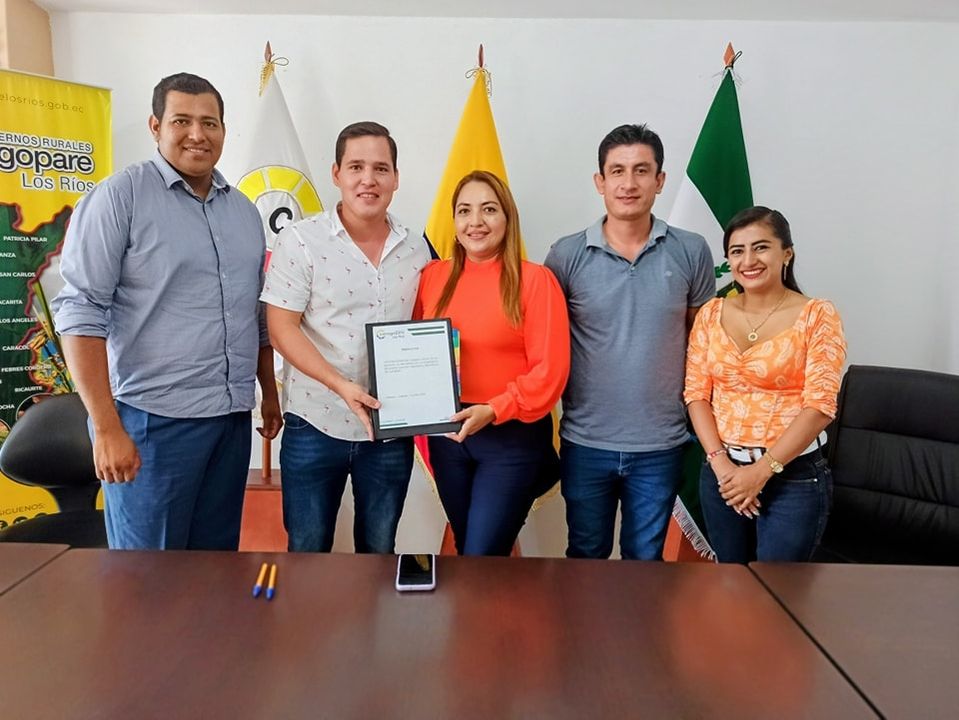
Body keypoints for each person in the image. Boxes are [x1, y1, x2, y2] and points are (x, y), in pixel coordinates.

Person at [53, 72, 282, 550]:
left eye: (210, 123)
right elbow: (80, 311)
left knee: (213, 568)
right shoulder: (120, 197)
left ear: (224, 130)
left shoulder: (243, 211)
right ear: (155, 126)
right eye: (182, 120)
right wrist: (105, 427)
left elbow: (255, 314)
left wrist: (268, 393)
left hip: (230, 421)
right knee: (148, 576)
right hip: (150, 425)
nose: (197, 134)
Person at [544, 124, 714, 560]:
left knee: (645, 562)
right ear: (600, 181)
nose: (629, 183)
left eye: (641, 170)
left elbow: (705, 346)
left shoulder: (691, 250)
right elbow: (545, 345)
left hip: (661, 444)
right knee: (586, 556)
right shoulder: (566, 255)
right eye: (617, 171)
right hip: (586, 441)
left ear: (660, 180)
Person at [261, 121, 430, 554]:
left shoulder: (417, 248)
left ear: (396, 177)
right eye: (356, 167)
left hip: (389, 430)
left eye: (380, 168)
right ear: (336, 173)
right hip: (314, 424)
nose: (368, 179)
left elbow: (427, 330)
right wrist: (340, 386)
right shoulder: (300, 241)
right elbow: (281, 328)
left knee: (378, 552)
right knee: (308, 553)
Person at [415, 170, 570, 556]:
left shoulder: (536, 281)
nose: (476, 222)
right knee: (467, 549)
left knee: (482, 556)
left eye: (488, 209)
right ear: (454, 222)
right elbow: (412, 352)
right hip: (448, 436)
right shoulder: (432, 277)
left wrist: (496, 408)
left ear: (507, 217)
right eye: (464, 211)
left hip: (510, 437)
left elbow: (550, 372)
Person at [684, 206, 847, 562]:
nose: (748, 261)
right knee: (731, 582)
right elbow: (696, 395)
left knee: (777, 588)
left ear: (786, 253)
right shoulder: (711, 313)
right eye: (737, 251)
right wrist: (723, 466)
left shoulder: (817, 315)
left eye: (761, 247)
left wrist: (760, 472)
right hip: (722, 474)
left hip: (792, 478)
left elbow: (820, 406)